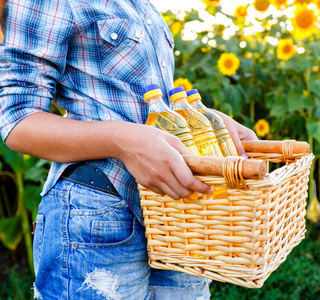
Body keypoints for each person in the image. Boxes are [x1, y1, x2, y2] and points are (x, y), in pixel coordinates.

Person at [0, 0, 258, 299]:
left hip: (172, 213)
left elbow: (139, 102)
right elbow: (18, 122)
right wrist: (121, 141)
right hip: (98, 212)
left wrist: (200, 117)